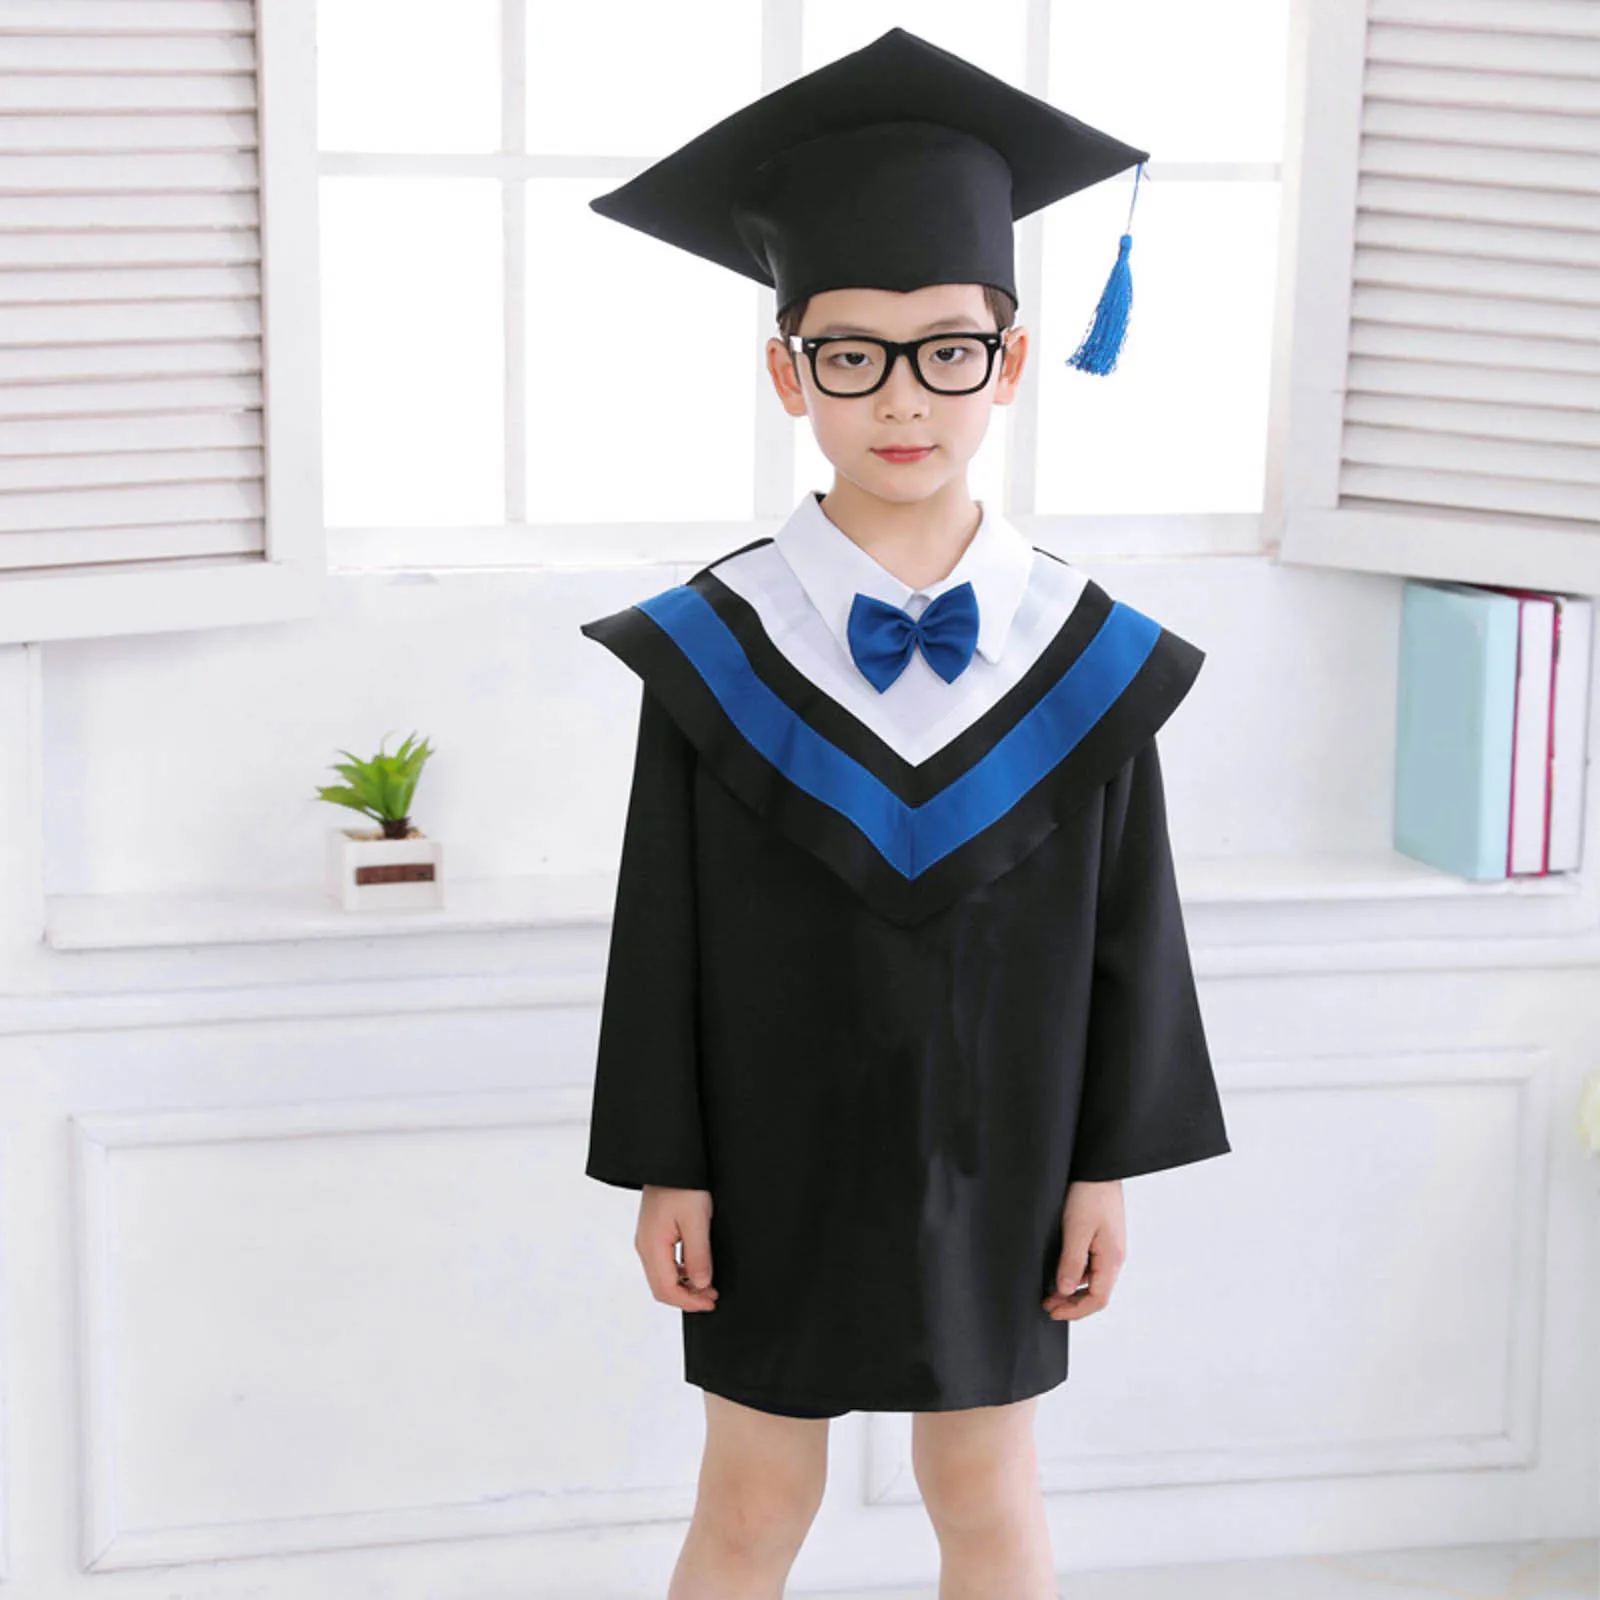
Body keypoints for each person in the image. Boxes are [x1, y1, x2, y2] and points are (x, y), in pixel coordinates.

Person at [577, 27, 1232, 1599]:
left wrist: (1101, 1168)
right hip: (768, 1135)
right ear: (788, 369)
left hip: (1002, 1141)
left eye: (947, 349)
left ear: (1009, 361)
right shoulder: (716, 645)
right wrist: (671, 1162)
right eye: (852, 353)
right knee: (750, 1499)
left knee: (988, 1485)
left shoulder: (1084, 652)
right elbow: (658, 928)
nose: (902, 397)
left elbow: (1132, 932)